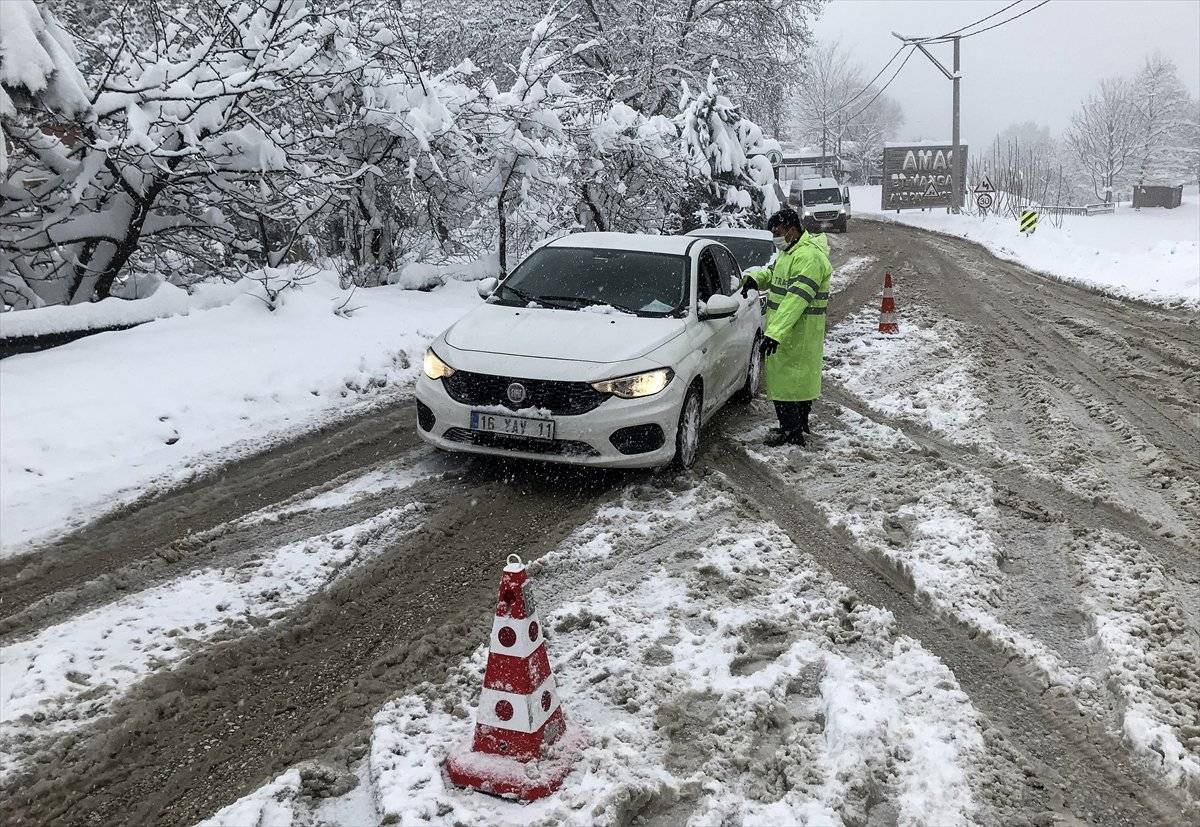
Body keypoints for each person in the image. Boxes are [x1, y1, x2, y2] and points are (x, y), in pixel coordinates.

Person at [740, 207, 832, 447]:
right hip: (787, 332)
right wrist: (755, 279)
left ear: (792, 230)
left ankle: (791, 433)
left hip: (798, 334)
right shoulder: (790, 252)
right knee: (793, 385)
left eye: (777, 231)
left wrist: (774, 333)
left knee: (787, 386)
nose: (774, 236)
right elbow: (774, 274)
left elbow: (796, 300)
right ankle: (796, 427)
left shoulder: (808, 258)